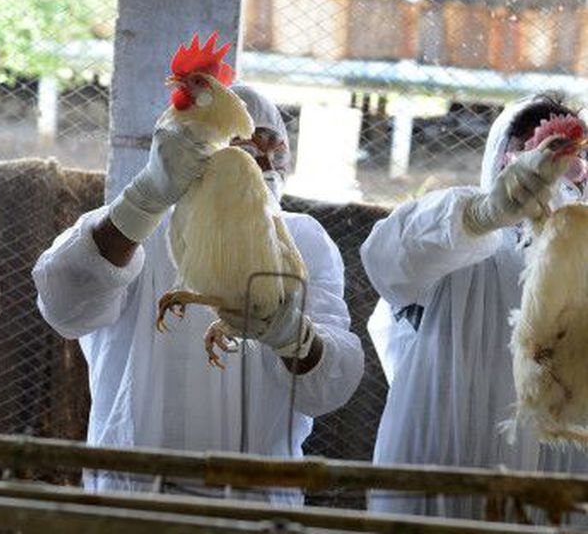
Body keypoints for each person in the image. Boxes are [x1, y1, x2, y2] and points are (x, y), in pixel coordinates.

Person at [33, 83, 364, 502]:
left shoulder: (301, 239)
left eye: (257, 145)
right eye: (224, 145)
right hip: (131, 500)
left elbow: (329, 386)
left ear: (276, 157)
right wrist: (145, 198)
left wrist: (291, 337)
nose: (240, 156)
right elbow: (63, 305)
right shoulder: (129, 230)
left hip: (253, 505)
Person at [361, 92, 588, 520]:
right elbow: (385, 257)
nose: (556, 172)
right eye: (530, 145)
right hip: (444, 470)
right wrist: (485, 213)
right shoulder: (462, 235)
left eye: (573, 157)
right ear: (504, 159)